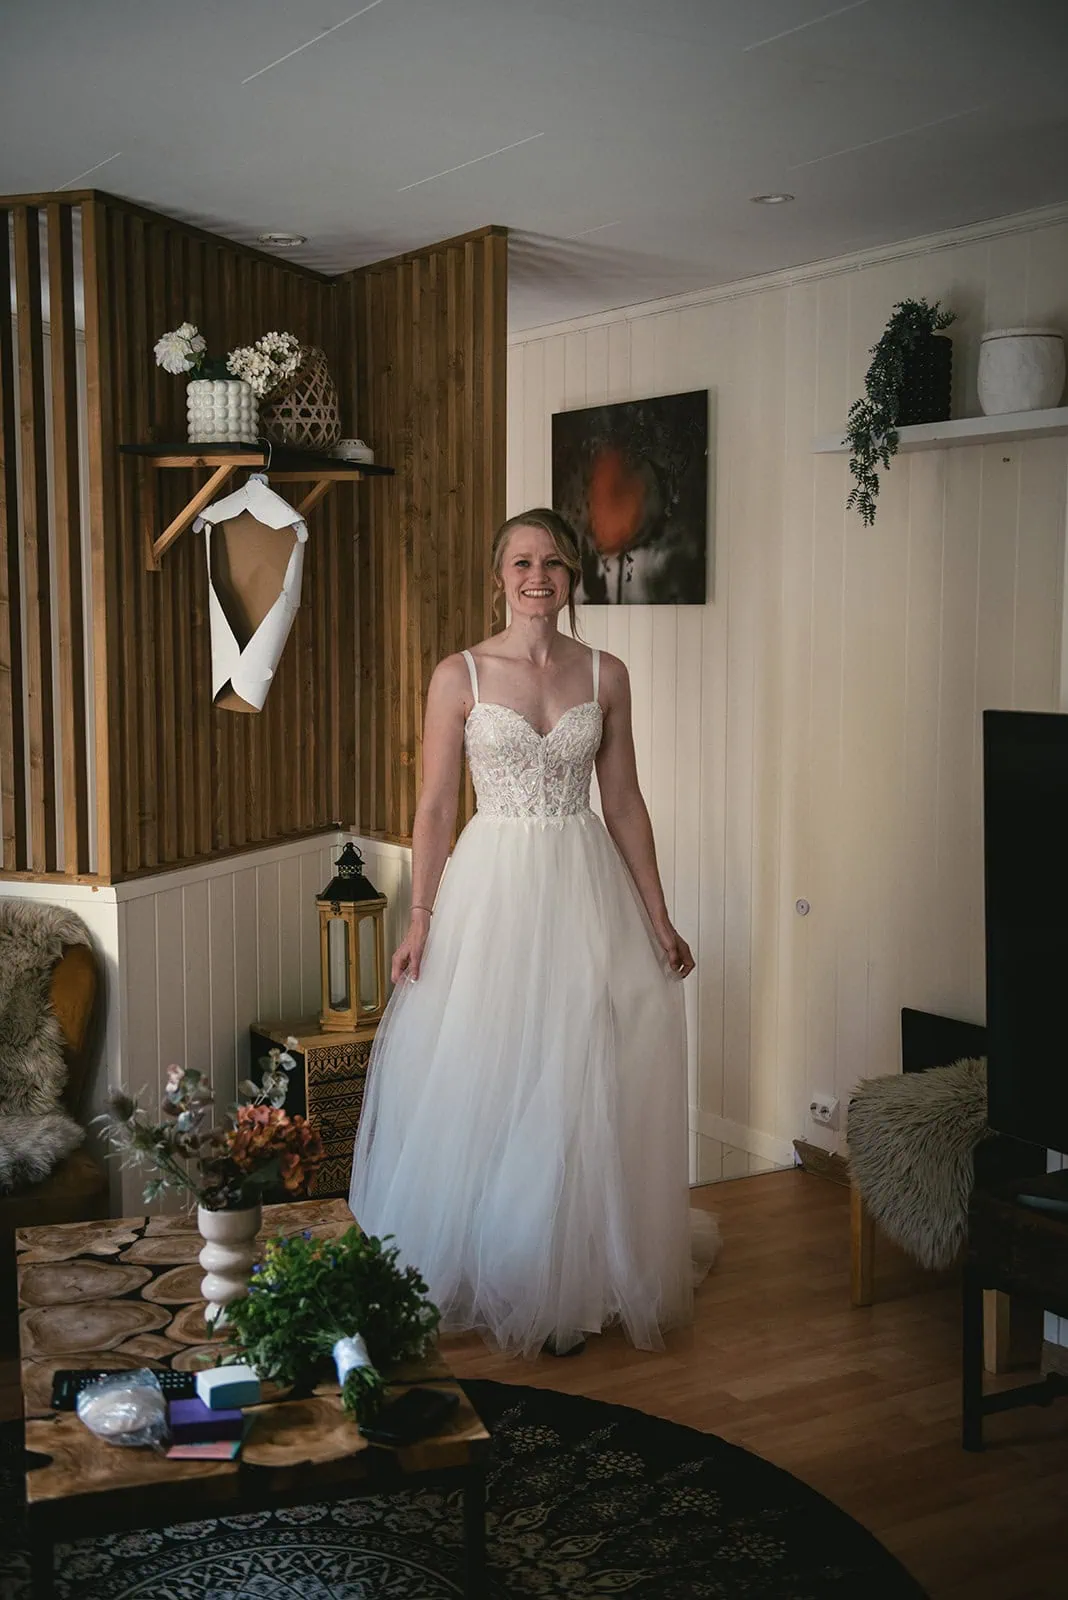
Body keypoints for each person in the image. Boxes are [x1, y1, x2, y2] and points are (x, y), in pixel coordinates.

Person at [349, 508, 718, 1357]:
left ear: (574, 574)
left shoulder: (605, 675)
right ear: (498, 576)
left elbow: (622, 802)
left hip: (584, 885)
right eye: (520, 562)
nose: (536, 576)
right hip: (493, 888)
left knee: (579, 1068)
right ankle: (490, 1263)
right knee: (489, 1065)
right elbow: (437, 805)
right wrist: (420, 918)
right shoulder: (462, 676)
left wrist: (659, 916)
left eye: (552, 561)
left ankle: (570, 1279)